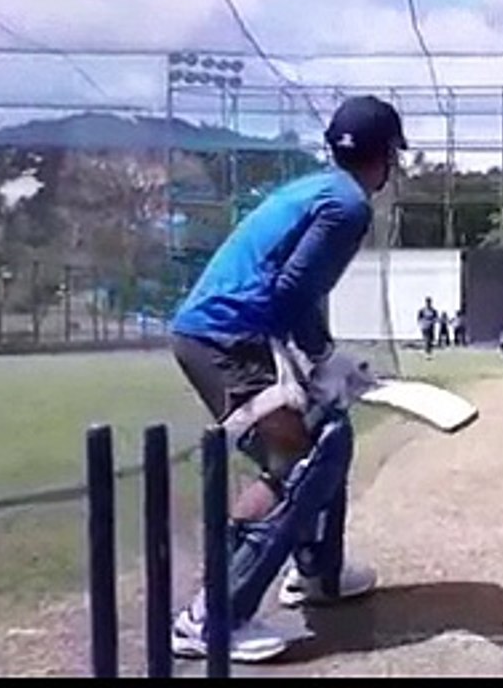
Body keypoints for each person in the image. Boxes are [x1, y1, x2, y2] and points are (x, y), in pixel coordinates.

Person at [168, 95, 408, 663]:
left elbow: (292, 286)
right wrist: (324, 358)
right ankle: (213, 616)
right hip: (223, 338)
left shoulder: (320, 189)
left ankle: (319, 574)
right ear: (385, 157)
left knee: (330, 428)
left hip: (229, 332)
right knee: (298, 456)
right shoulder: (348, 206)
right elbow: (292, 292)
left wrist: (321, 362)